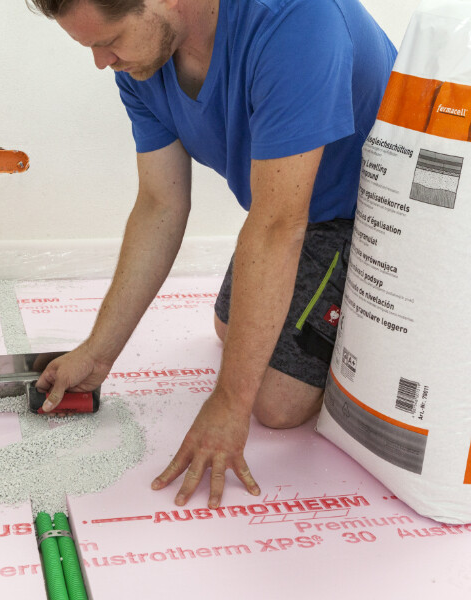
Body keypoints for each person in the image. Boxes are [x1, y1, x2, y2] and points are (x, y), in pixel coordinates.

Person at [30, 0, 396, 509]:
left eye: (108, 41)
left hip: (371, 214)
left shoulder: (295, 23)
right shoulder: (143, 62)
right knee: (230, 330)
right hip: (289, 207)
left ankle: (387, 322)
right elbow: (159, 204)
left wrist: (229, 403)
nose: (100, 61)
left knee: (276, 403)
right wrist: (97, 353)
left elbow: (277, 227)